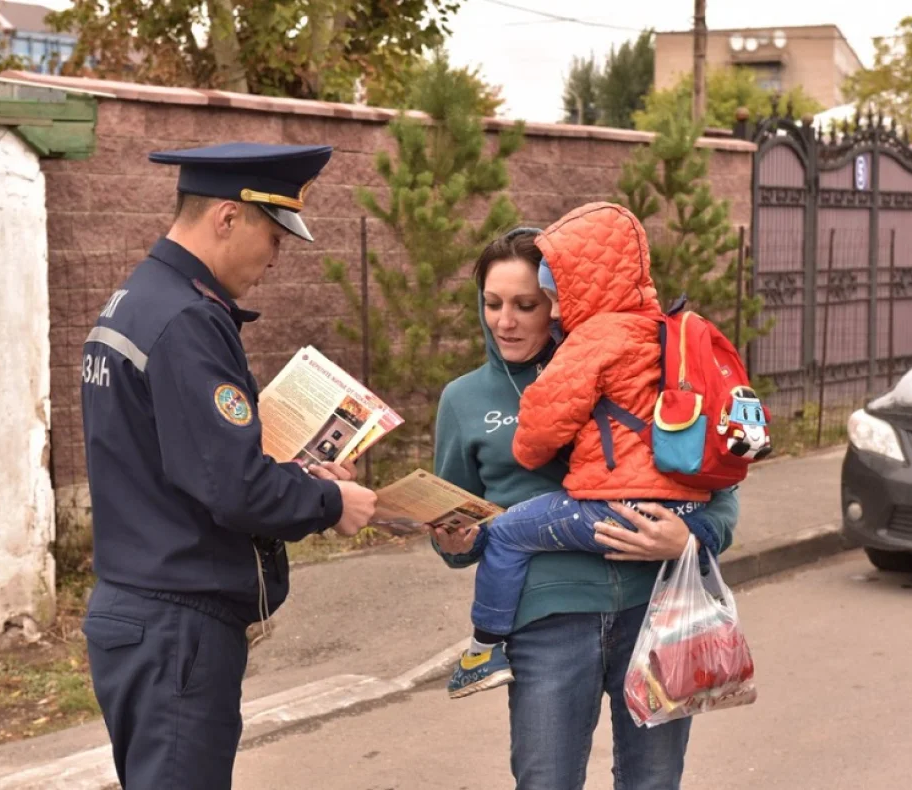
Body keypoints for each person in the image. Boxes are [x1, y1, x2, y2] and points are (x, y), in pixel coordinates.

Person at [79, 141, 378, 790]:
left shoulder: (136, 300)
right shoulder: (188, 319)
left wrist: (292, 476)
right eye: (273, 237)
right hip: (177, 623)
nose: (275, 258)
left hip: (142, 610)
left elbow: (183, 461)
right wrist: (331, 504)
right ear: (226, 218)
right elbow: (233, 486)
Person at [431, 224, 740, 790]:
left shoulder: (639, 367)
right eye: (493, 304)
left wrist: (691, 541)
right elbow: (459, 529)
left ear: (558, 303)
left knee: (653, 781)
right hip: (546, 628)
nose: (506, 320)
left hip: (655, 612)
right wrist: (453, 538)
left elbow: (719, 495)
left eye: (526, 304)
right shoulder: (464, 400)